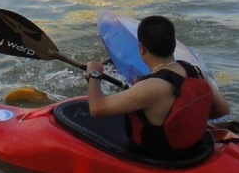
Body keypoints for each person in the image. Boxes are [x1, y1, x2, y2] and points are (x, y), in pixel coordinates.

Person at [84, 15, 231, 157]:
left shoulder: (150, 87)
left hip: (164, 158)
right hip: (197, 150)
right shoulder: (195, 72)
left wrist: (94, 74)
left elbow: (97, 109)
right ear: (174, 45)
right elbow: (223, 110)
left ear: (141, 48)